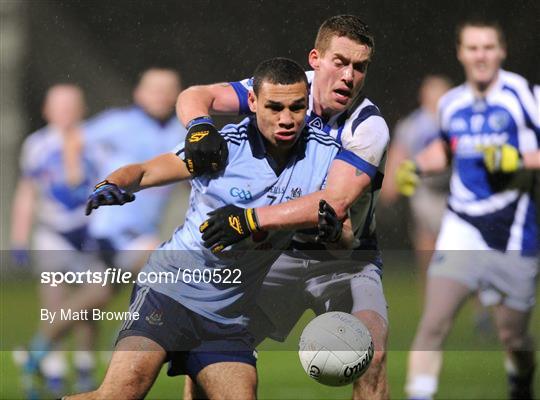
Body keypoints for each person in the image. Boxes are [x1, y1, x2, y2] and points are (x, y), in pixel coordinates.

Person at [65, 57, 341, 400]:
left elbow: (344, 234)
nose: (287, 119)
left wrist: (333, 230)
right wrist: (113, 184)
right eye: (275, 107)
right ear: (253, 103)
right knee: (120, 393)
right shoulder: (222, 149)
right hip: (168, 293)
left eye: (297, 107)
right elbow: (145, 171)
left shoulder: (325, 157)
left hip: (227, 316)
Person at [178, 15, 390, 399]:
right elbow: (198, 95)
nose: (349, 76)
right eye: (340, 61)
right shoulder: (286, 91)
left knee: (371, 355)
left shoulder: (368, 127)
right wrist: (198, 126)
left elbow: (333, 202)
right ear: (316, 59)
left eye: (360, 67)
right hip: (276, 257)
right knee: (208, 359)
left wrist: (248, 219)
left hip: (346, 259)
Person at [398, 20, 540, 400]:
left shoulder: (526, 96)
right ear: (461, 53)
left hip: (515, 231)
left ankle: (521, 380)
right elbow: (447, 148)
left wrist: (520, 158)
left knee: (514, 336)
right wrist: (417, 167)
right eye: (473, 48)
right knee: (433, 323)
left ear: (502, 51)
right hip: (462, 226)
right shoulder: (451, 103)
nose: (481, 56)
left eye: (489, 47)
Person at [10, 84, 100, 395]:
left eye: (71, 106)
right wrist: (18, 237)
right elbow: (27, 193)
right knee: (55, 302)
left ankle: (85, 365)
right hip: (52, 233)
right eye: (59, 107)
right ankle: (55, 368)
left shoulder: (95, 140)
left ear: (82, 109)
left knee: (89, 306)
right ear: (46, 110)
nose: (65, 113)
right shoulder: (36, 145)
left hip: (90, 232)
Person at [85, 67, 186, 268]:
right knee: (168, 269)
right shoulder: (119, 123)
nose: (161, 96)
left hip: (146, 229)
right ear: (139, 93)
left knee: (98, 293)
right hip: (111, 229)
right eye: (155, 89)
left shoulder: (181, 131)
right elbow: (73, 142)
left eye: (168, 89)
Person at [381, 75, 452, 276]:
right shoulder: (413, 125)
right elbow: (399, 155)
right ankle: (432, 301)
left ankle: (479, 305)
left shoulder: (456, 119)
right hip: (426, 192)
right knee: (428, 248)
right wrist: (390, 187)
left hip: (453, 190)